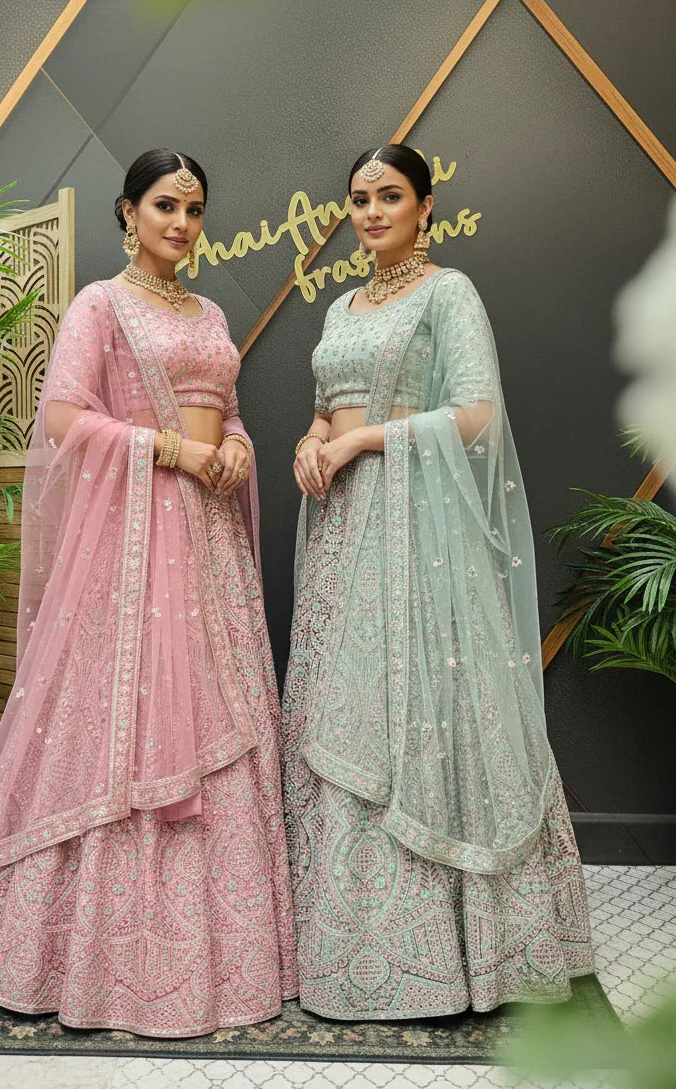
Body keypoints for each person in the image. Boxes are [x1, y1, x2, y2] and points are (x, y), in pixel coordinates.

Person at [0, 149, 297, 1036]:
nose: (182, 223)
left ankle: (223, 955)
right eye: (166, 206)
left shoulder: (211, 311)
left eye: (195, 209)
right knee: (126, 723)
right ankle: (92, 957)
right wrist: (168, 450)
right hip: (135, 551)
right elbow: (63, 416)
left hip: (209, 545)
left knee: (222, 719)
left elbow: (229, 408)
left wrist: (242, 445)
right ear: (128, 212)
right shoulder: (99, 305)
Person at [282, 144, 593, 1020]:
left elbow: (477, 416)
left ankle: (456, 955)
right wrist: (313, 440)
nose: (371, 212)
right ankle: (348, 944)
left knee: (419, 711)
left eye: (389, 196)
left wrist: (360, 442)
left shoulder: (449, 294)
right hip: (342, 532)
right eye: (357, 199)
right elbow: (327, 399)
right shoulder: (343, 304)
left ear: (425, 205)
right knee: (342, 709)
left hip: (419, 540)